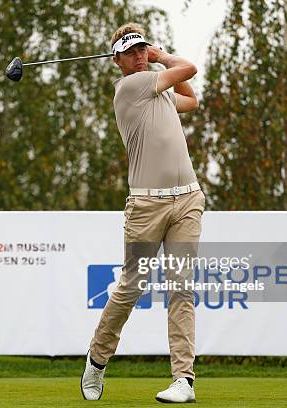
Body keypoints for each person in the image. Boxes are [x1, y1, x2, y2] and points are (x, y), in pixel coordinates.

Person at [80, 22, 204, 403]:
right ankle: (97, 360)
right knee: (132, 286)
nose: (139, 56)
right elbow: (188, 69)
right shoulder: (131, 87)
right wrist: (160, 56)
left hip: (187, 200)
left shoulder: (157, 91)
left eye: (142, 49)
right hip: (146, 206)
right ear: (116, 60)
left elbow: (192, 99)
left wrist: (156, 57)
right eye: (132, 51)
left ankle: (184, 379)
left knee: (182, 287)